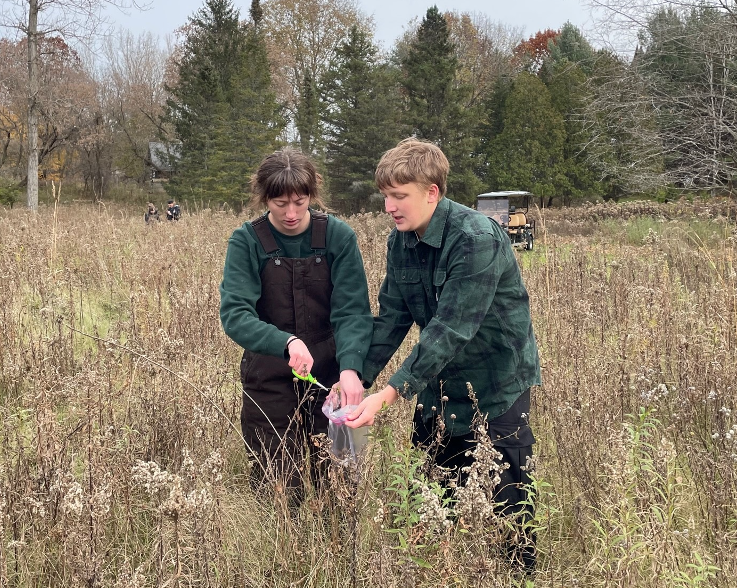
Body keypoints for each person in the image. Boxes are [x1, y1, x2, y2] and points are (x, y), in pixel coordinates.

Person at [341, 138, 541, 567]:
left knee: (508, 499)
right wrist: (357, 375)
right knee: (434, 493)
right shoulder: (400, 241)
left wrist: (389, 395)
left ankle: (518, 574)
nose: (389, 207)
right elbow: (392, 316)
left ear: (432, 192)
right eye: (385, 196)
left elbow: (451, 329)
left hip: (496, 383)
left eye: (399, 196)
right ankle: (445, 568)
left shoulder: (475, 238)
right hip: (439, 383)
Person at [220, 148, 372, 504]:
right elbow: (236, 314)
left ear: (312, 195)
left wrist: (351, 369)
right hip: (269, 376)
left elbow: (353, 312)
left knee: (339, 487)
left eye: (299, 203)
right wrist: (285, 342)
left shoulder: (338, 237)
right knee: (276, 488)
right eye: (280, 203)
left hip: (331, 377)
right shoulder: (246, 241)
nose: (290, 213)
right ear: (264, 198)